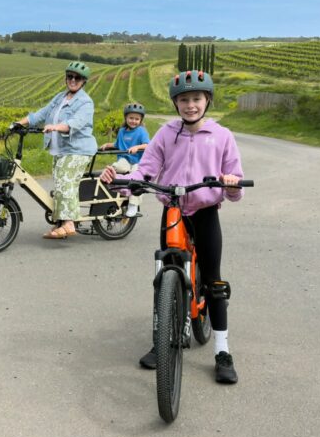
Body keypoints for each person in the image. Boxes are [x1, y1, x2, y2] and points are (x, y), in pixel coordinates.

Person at [100, 70, 245, 384]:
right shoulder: (166, 133)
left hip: (205, 211)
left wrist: (231, 184)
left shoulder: (222, 136)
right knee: (165, 272)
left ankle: (222, 351)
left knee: (214, 282)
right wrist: (123, 182)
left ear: (207, 100)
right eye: (183, 100)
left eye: (196, 99)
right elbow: (147, 169)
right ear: (175, 103)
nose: (190, 105)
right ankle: (165, 339)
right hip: (173, 210)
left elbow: (234, 188)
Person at [13, 61, 97, 239]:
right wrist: (18, 124)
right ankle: (60, 223)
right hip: (60, 150)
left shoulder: (85, 102)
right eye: (70, 76)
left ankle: (69, 224)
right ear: (66, 78)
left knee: (66, 183)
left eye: (77, 78)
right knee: (60, 186)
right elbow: (40, 114)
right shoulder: (60, 98)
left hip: (78, 149)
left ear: (83, 81)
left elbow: (76, 123)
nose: (73, 80)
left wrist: (56, 127)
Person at [99, 102, 150, 174]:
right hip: (124, 159)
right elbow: (117, 144)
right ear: (126, 118)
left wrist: (137, 147)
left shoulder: (141, 131)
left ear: (140, 120)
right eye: (131, 118)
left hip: (137, 160)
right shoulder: (122, 131)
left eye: (137, 119)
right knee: (120, 167)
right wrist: (107, 145)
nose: (133, 121)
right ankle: (109, 171)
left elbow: (147, 145)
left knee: (136, 172)